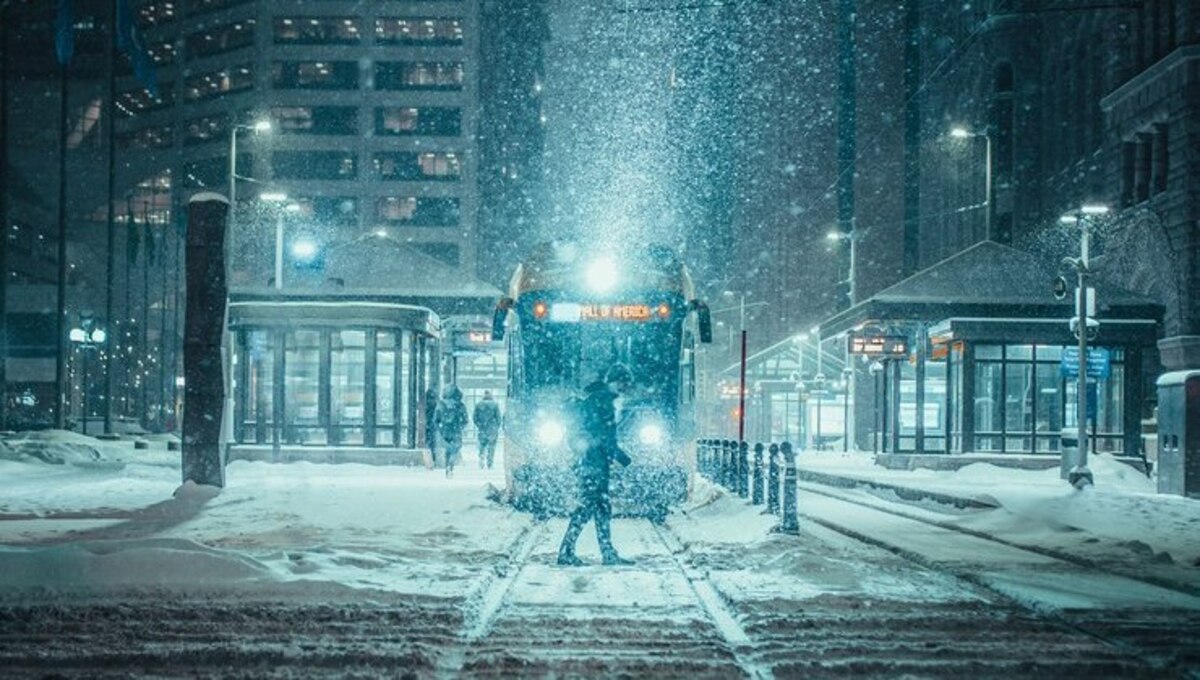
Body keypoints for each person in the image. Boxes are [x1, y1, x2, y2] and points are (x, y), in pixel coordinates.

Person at [557, 363, 634, 567]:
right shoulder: (601, 401)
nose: (624, 388)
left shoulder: (600, 399)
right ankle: (567, 552)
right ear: (613, 381)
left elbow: (600, 434)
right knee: (588, 507)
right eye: (622, 383)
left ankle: (606, 553)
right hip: (593, 462)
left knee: (600, 507)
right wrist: (622, 457)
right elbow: (602, 435)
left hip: (594, 461)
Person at [437, 385, 468, 477]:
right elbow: (465, 419)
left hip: (445, 430)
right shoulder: (460, 405)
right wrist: (461, 426)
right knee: (455, 449)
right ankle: (450, 465)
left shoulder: (441, 404)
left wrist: (440, 428)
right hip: (456, 429)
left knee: (448, 449)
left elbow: (436, 418)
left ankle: (447, 466)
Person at [473, 390, 502, 469]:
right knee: (491, 447)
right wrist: (496, 426)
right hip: (492, 429)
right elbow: (498, 418)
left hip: (482, 428)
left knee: (482, 445)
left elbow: (475, 418)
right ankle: (490, 462)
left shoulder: (478, 405)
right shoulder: (495, 405)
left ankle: (481, 456)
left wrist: (479, 425)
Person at [424, 386, 440, 468]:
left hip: (426, 425)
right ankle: (433, 459)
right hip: (432, 426)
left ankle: (429, 461)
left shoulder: (425, 403)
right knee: (432, 444)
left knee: (427, 443)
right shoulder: (436, 403)